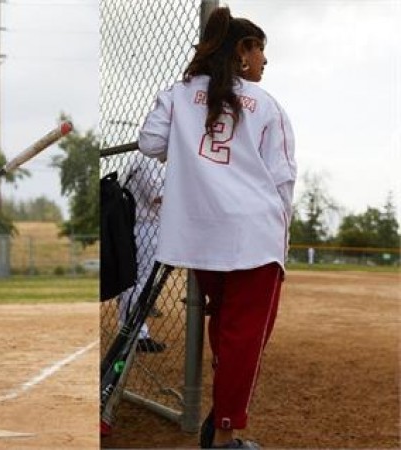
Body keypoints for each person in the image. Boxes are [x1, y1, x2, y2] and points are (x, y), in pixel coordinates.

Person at [138, 6, 296, 449]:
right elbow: (282, 179)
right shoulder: (266, 105)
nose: (265, 61)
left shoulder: (178, 92)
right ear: (243, 52)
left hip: (198, 235)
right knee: (246, 335)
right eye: (261, 50)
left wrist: (190, 149)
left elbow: (151, 143)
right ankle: (226, 434)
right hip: (253, 236)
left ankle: (219, 415)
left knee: (225, 325)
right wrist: (280, 244)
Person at [118, 154, 167, 353]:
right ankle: (134, 335)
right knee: (139, 282)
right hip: (144, 226)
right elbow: (156, 198)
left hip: (145, 225)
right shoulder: (148, 159)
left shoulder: (151, 160)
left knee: (140, 282)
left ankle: (134, 332)